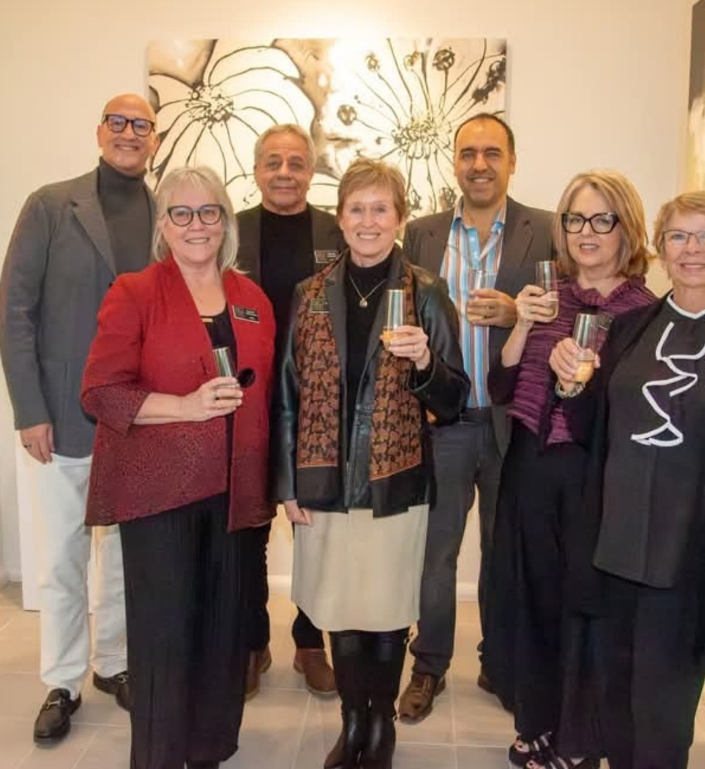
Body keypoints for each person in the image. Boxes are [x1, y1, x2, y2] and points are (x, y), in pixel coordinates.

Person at [549, 191, 705, 769]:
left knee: (663, 720)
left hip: (694, 561)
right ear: (661, 251)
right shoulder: (631, 328)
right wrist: (571, 388)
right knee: (614, 704)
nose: (692, 249)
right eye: (678, 236)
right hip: (613, 550)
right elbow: (590, 429)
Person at [272, 158, 469, 769]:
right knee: (339, 611)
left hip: (393, 485)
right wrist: (287, 484)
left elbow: (455, 398)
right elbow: (287, 396)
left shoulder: (427, 294)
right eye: (356, 208)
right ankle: (351, 722)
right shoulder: (309, 295)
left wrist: (424, 365)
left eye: (380, 208)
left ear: (400, 218)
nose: (367, 220)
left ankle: (381, 727)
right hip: (324, 482)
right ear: (341, 217)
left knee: (383, 615)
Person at [81, 166, 276, 769]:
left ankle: (209, 749)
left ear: (226, 221)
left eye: (209, 211)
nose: (197, 225)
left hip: (236, 492)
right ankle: (161, 756)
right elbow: (101, 392)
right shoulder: (135, 291)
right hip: (159, 493)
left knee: (223, 632)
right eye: (182, 213)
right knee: (165, 636)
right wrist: (186, 407)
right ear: (163, 225)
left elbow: (269, 392)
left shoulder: (251, 297)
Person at [0, 93, 158, 743]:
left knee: (126, 553)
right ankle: (62, 677)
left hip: (143, 419)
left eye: (140, 124)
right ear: (99, 131)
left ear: (154, 137)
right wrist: (29, 410)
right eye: (117, 122)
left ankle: (114, 663)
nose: (128, 133)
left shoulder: (169, 212)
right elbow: (14, 310)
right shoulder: (49, 204)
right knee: (62, 557)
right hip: (63, 416)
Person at [484, 171, 656, 769]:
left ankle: (578, 739)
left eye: (601, 219)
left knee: (581, 609)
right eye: (575, 220)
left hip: (594, 479)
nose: (586, 233)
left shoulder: (645, 314)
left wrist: (583, 379)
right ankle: (535, 723)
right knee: (527, 599)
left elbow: (630, 416)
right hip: (530, 466)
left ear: (625, 228)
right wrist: (524, 324)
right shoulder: (545, 292)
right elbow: (500, 388)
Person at [399, 112, 553, 722]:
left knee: (504, 547)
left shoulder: (544, 230)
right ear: (454, 162)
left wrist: (518, 313)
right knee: (436, 552)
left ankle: (499, 660)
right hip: (446, 419)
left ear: (512, 161)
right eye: (468, 153)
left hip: (516, 419)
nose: (480, 163)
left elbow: (570, 316)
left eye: (492, 152)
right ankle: (429, 664)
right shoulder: (422, 234)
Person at [236, 123, 345, 698]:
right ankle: (254, 642)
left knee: (316, 528)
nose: (284, 172)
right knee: (250, 529)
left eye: (296, 162)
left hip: (316, 403)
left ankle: (310, 641)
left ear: (311, 170)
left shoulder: (337, 229)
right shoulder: (229, 230)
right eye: (273, 162)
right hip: (248, 401)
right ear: (256, 170)